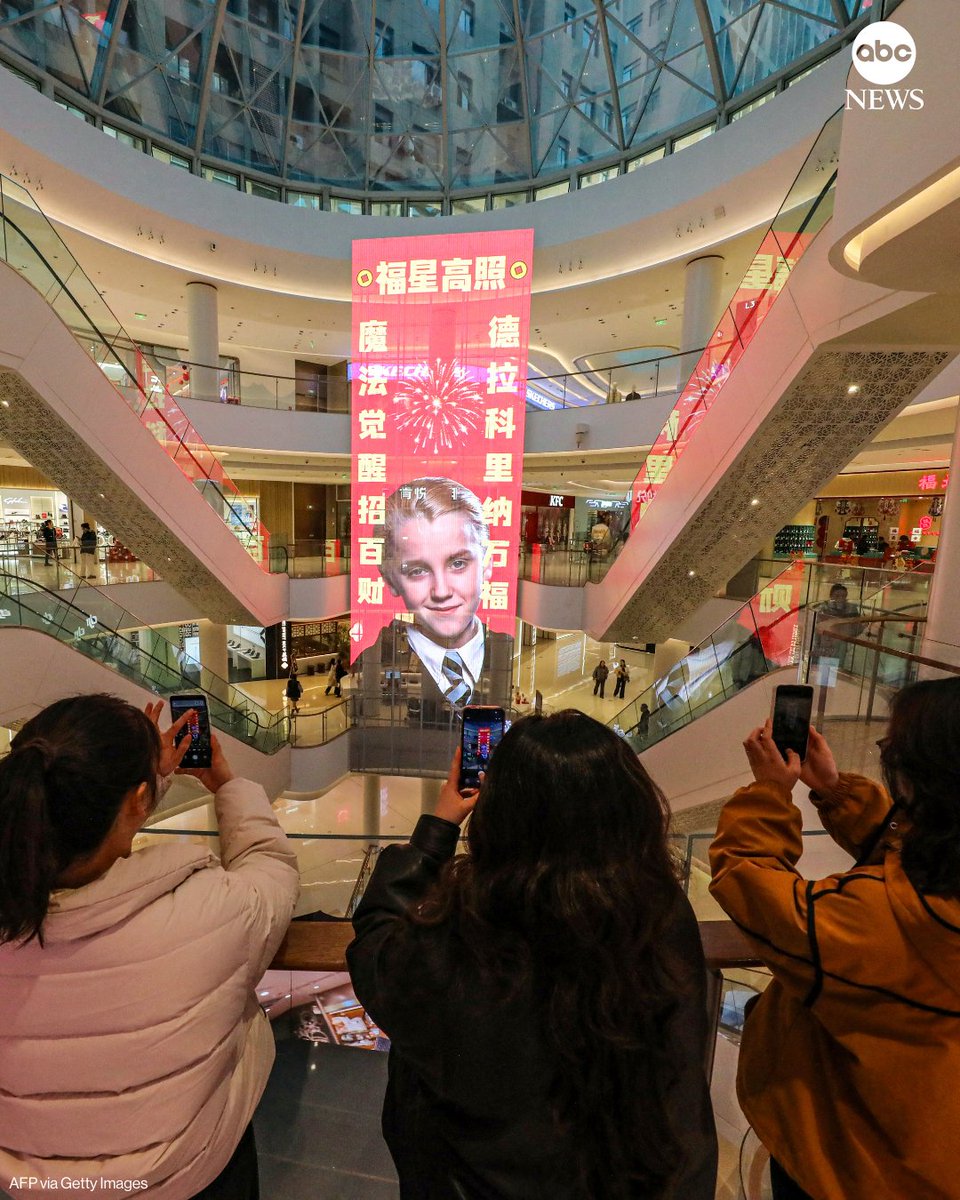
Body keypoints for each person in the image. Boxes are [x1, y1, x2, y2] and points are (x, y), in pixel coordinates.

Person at [348, 712, 717, 1199]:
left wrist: (435, 831)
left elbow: (375, 950)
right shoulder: (658, 918)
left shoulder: (460, 931)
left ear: (500, 816)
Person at [0, 694, 300, 1198]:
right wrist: (224, 782)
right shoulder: (209, 909)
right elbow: (270, 868)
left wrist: (141, 785)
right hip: (192, 1178)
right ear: (138, 801)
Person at [709, 678, 960, 1200]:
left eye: (893, 751)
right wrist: (834, 790)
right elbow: (926, 858)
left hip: (851, 1158)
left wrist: (770, 792)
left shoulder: (878, 922)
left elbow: (750, 882)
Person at [369, 477, 510, 714]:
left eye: (457, 563)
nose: (442, 591)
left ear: (487, 565)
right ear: (390, 580)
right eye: (418, 571)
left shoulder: (498, 650)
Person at [811, 582, 860, 672]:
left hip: (841, 645)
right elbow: (816, 629)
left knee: (837, 672)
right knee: (822, 673)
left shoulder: (851, 609)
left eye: (843, 596)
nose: (841, 599)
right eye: (837, 596)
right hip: (825, 645)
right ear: (831, 596)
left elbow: (856, 629)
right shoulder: (823, 608)